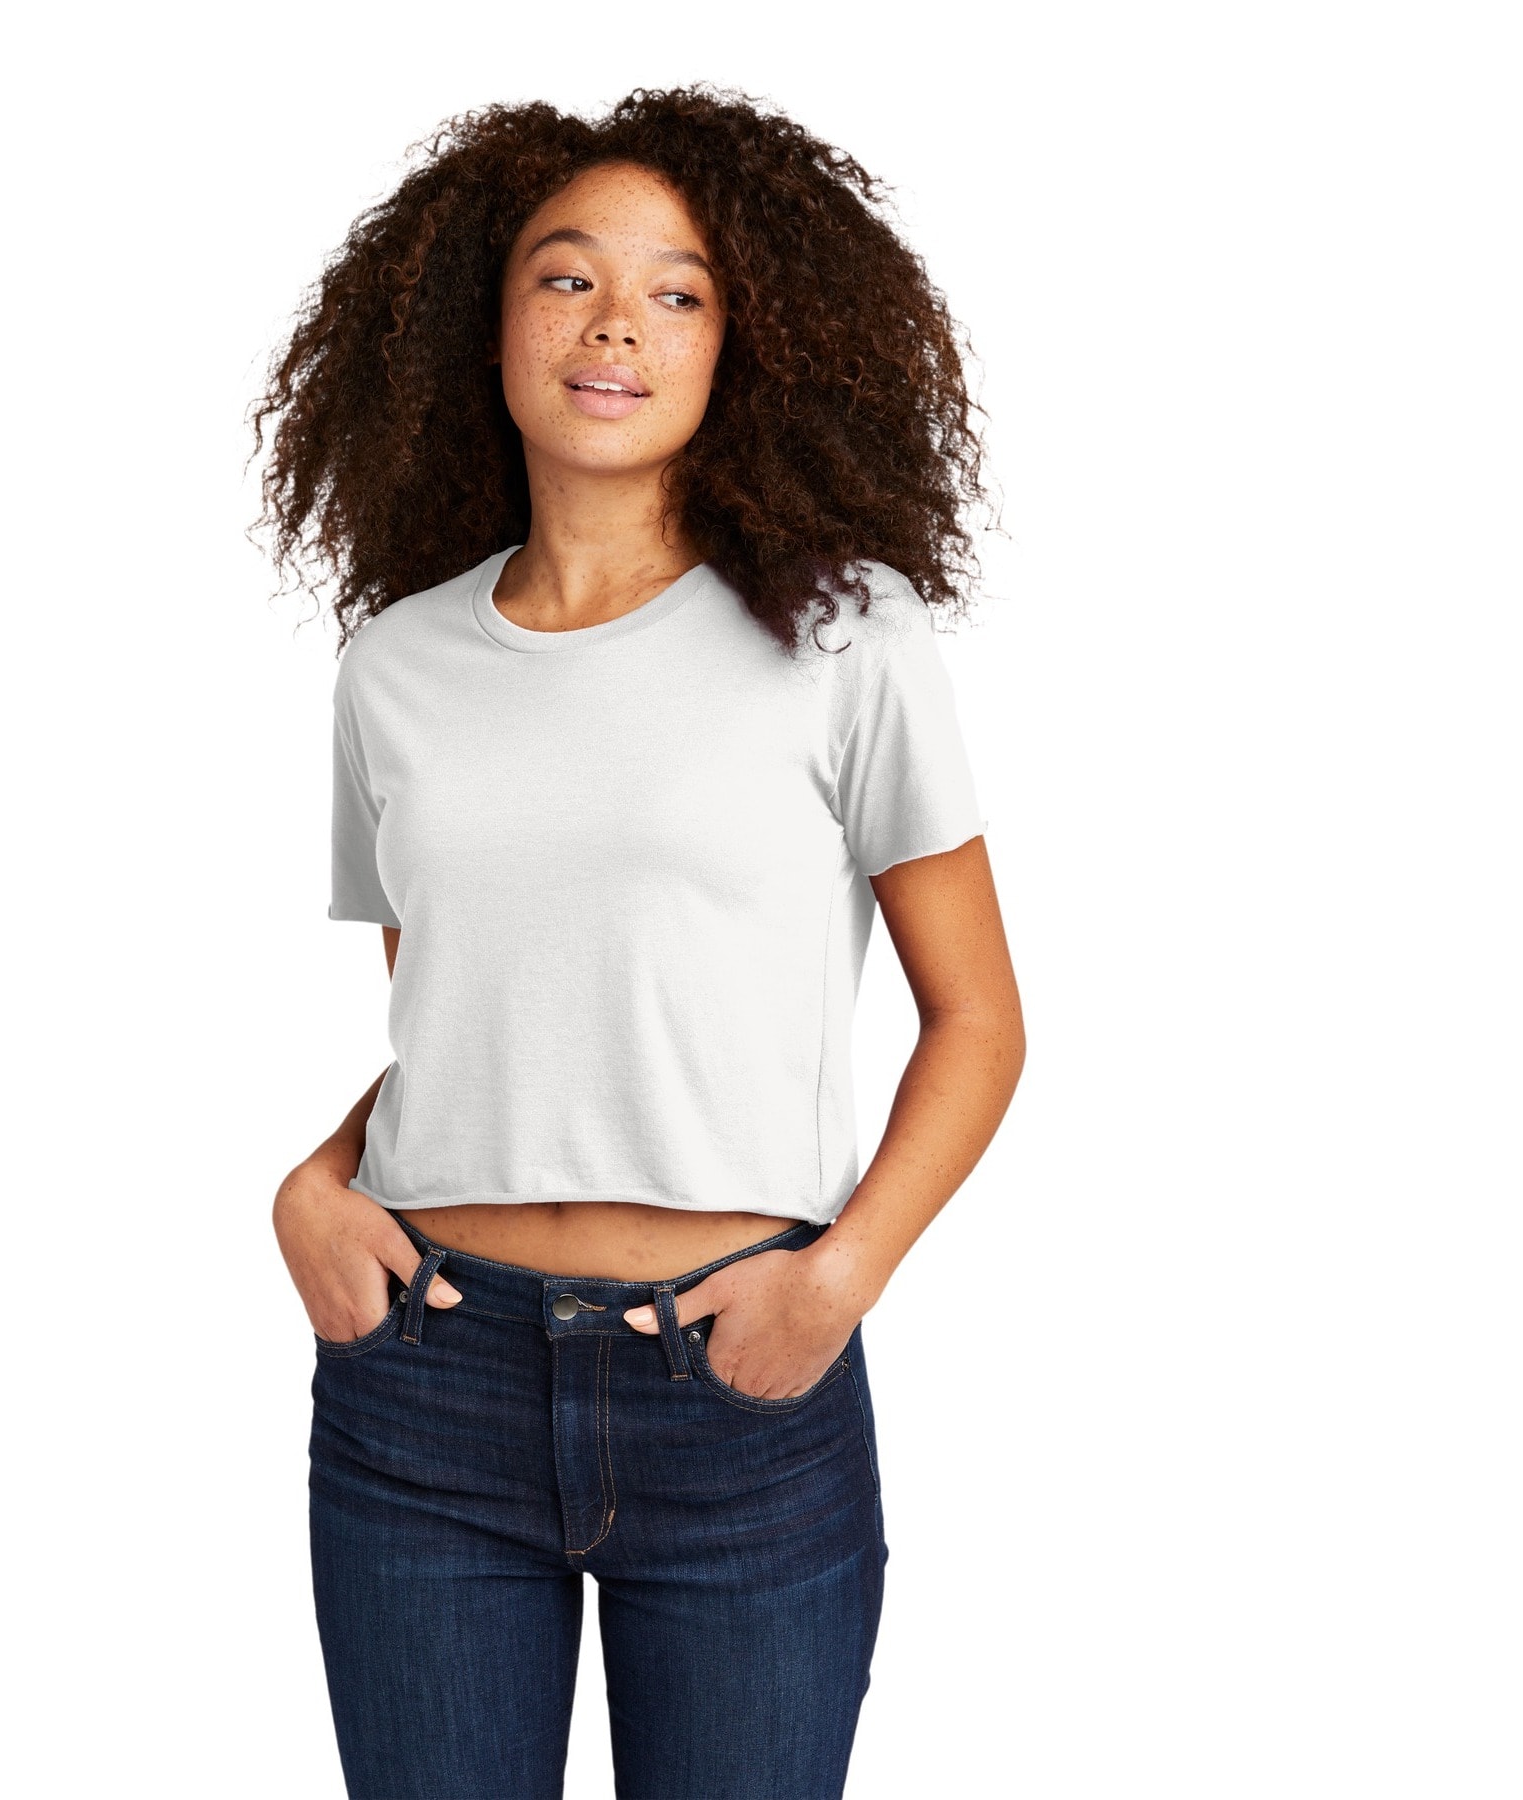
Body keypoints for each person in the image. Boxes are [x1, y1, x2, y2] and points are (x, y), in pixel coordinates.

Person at [253, 84, 1026, 1800]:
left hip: (737, 1387)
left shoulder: (846, 637)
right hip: (423, 1391)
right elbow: (469, 1018)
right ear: (486, 323)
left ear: (743, 345)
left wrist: (838, 1282)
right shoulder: (396, 668)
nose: (617, 324)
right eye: (568, 278)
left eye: (679, 292)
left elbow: (978, 1019)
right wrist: (317, 1182)